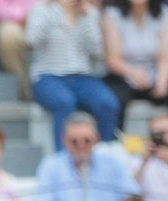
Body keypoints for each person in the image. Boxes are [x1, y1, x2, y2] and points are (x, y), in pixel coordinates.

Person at [28, 0, 122, 148]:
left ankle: (105, 153)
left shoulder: (90, 12)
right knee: (64, 102)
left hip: (82, 76)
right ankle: (63, 159)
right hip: (48, 76)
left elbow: (97, 50)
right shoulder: (42, 10)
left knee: (107, 103)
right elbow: (32, 40)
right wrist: (57, 10)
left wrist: (87, 18)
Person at [101, 0, 168, 129]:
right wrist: (132, 73)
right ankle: (116, 142)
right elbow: (112, 59)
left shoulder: (166, 14)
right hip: (122, 74)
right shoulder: (112, 15)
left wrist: (162, 81)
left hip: (155, 73)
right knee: (115, 99)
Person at [0, 0, 41, 100]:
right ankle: (24, 88)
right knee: (8, 34)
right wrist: (22, 15)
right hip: (13, 21)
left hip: (45, 18)